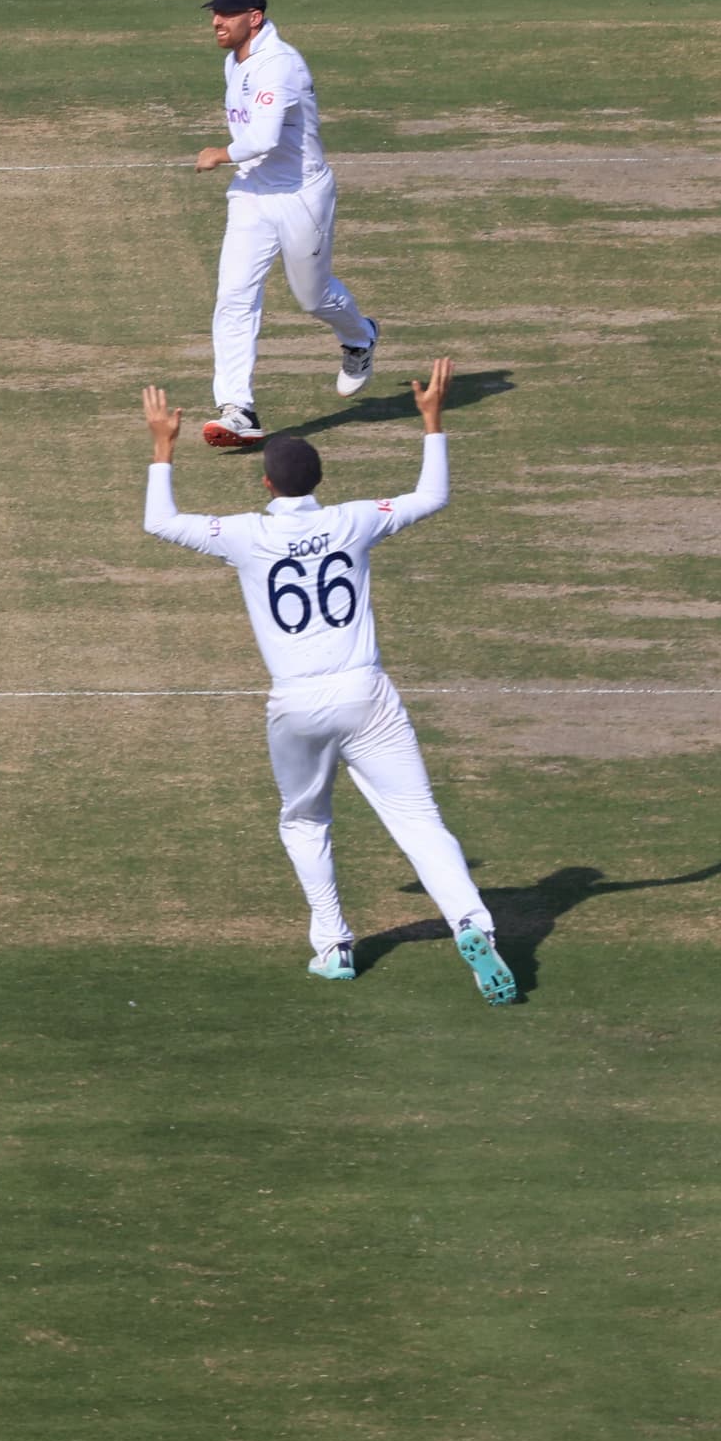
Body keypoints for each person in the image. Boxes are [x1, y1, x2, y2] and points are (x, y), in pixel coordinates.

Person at [139, 361, 519, 1003]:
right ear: (321, 480)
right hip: (367, 695)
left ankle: (334, 945)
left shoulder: (247, 535)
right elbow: (431, 498)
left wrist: (163, 446)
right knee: (419, 821)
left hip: (298, 703)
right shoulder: (353, 519)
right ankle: (472, 925)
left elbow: (161, 522)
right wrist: (431, 419)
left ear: (265, 483)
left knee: (305, 820)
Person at [193, 0, 379, 448]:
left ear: (253, 18)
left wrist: (218, 153)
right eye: (215, 12)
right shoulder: (233, 61)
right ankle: (238, 409)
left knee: (313, 298)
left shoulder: (279, 66)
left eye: (228, 13)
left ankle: (360, 337)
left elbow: (264, 138)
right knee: (234, 296)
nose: (217, 20)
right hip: (253, 194)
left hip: (300, 195)